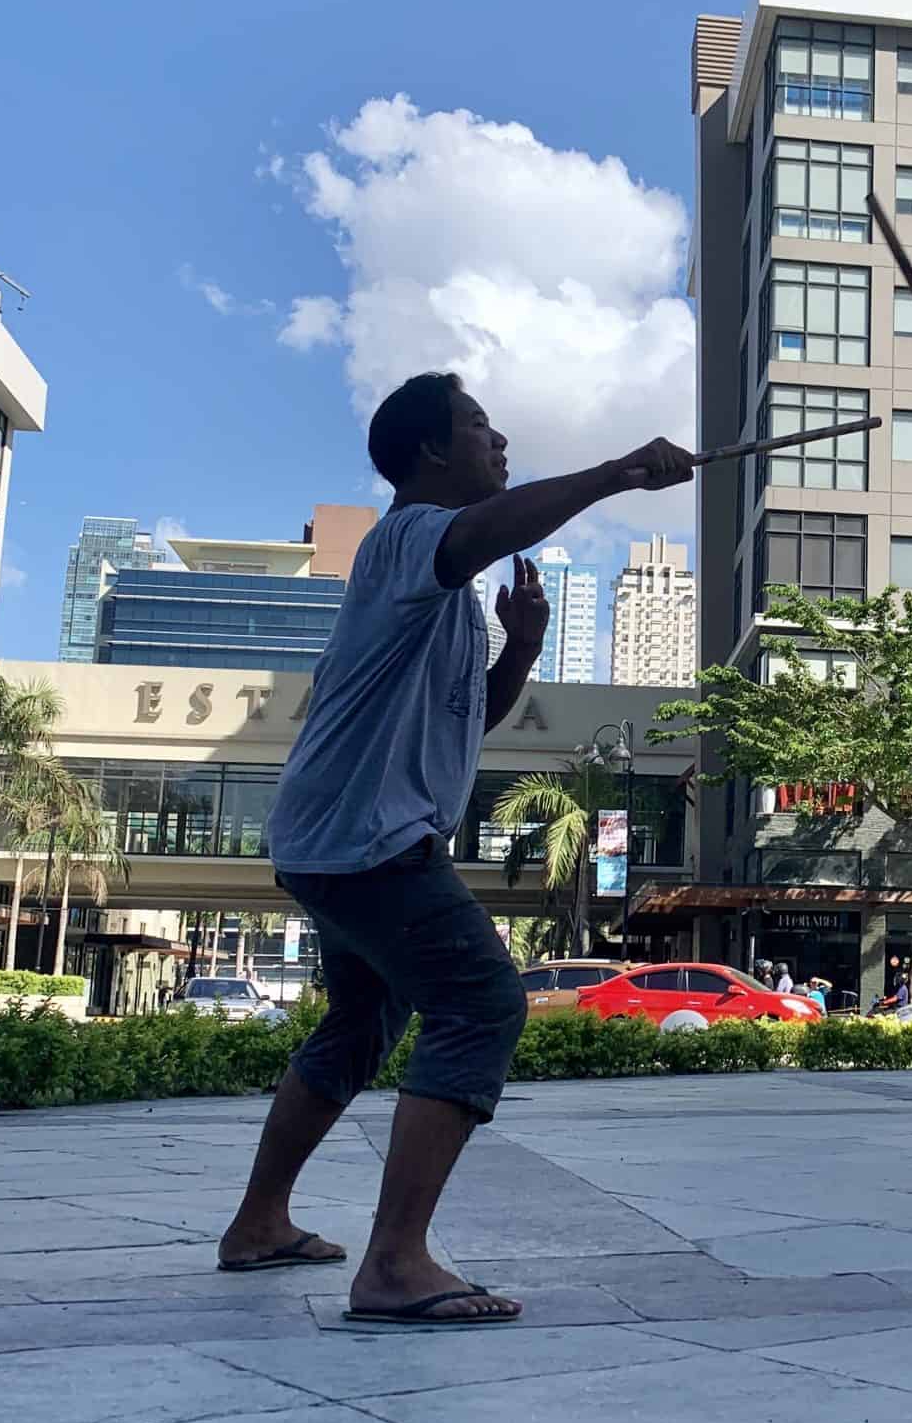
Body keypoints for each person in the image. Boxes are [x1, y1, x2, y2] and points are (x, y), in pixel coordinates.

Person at [214, 371, 691, 1327]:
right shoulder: (406, 540)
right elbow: (483, 531)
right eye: (481, 427)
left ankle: (259, 1223)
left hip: (339, 836)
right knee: (481, 1002)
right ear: (433, 452)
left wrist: (521, 645)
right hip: (368, 838)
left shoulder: (440, 592)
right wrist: (617, 472)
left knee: (362, 1026)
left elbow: (466, 720)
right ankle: (393, 1262)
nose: (501, 439)